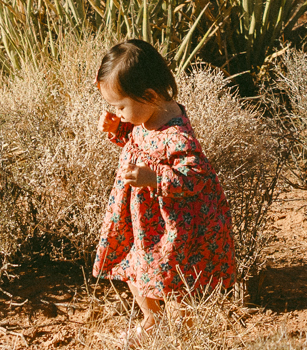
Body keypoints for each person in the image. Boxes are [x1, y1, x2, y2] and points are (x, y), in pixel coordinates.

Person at [91, 39, 237, 333]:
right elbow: (138, 146)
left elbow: (196, 174)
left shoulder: (177, 134)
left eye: (120, 107)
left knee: (172, 279)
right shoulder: (147, 116)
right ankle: (152, 319)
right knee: (134, 267)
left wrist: (154, 177)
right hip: (143, 225)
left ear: (149, 95)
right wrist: (118, 129)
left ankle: (182, 335)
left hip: (171, 229)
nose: (118, 112)